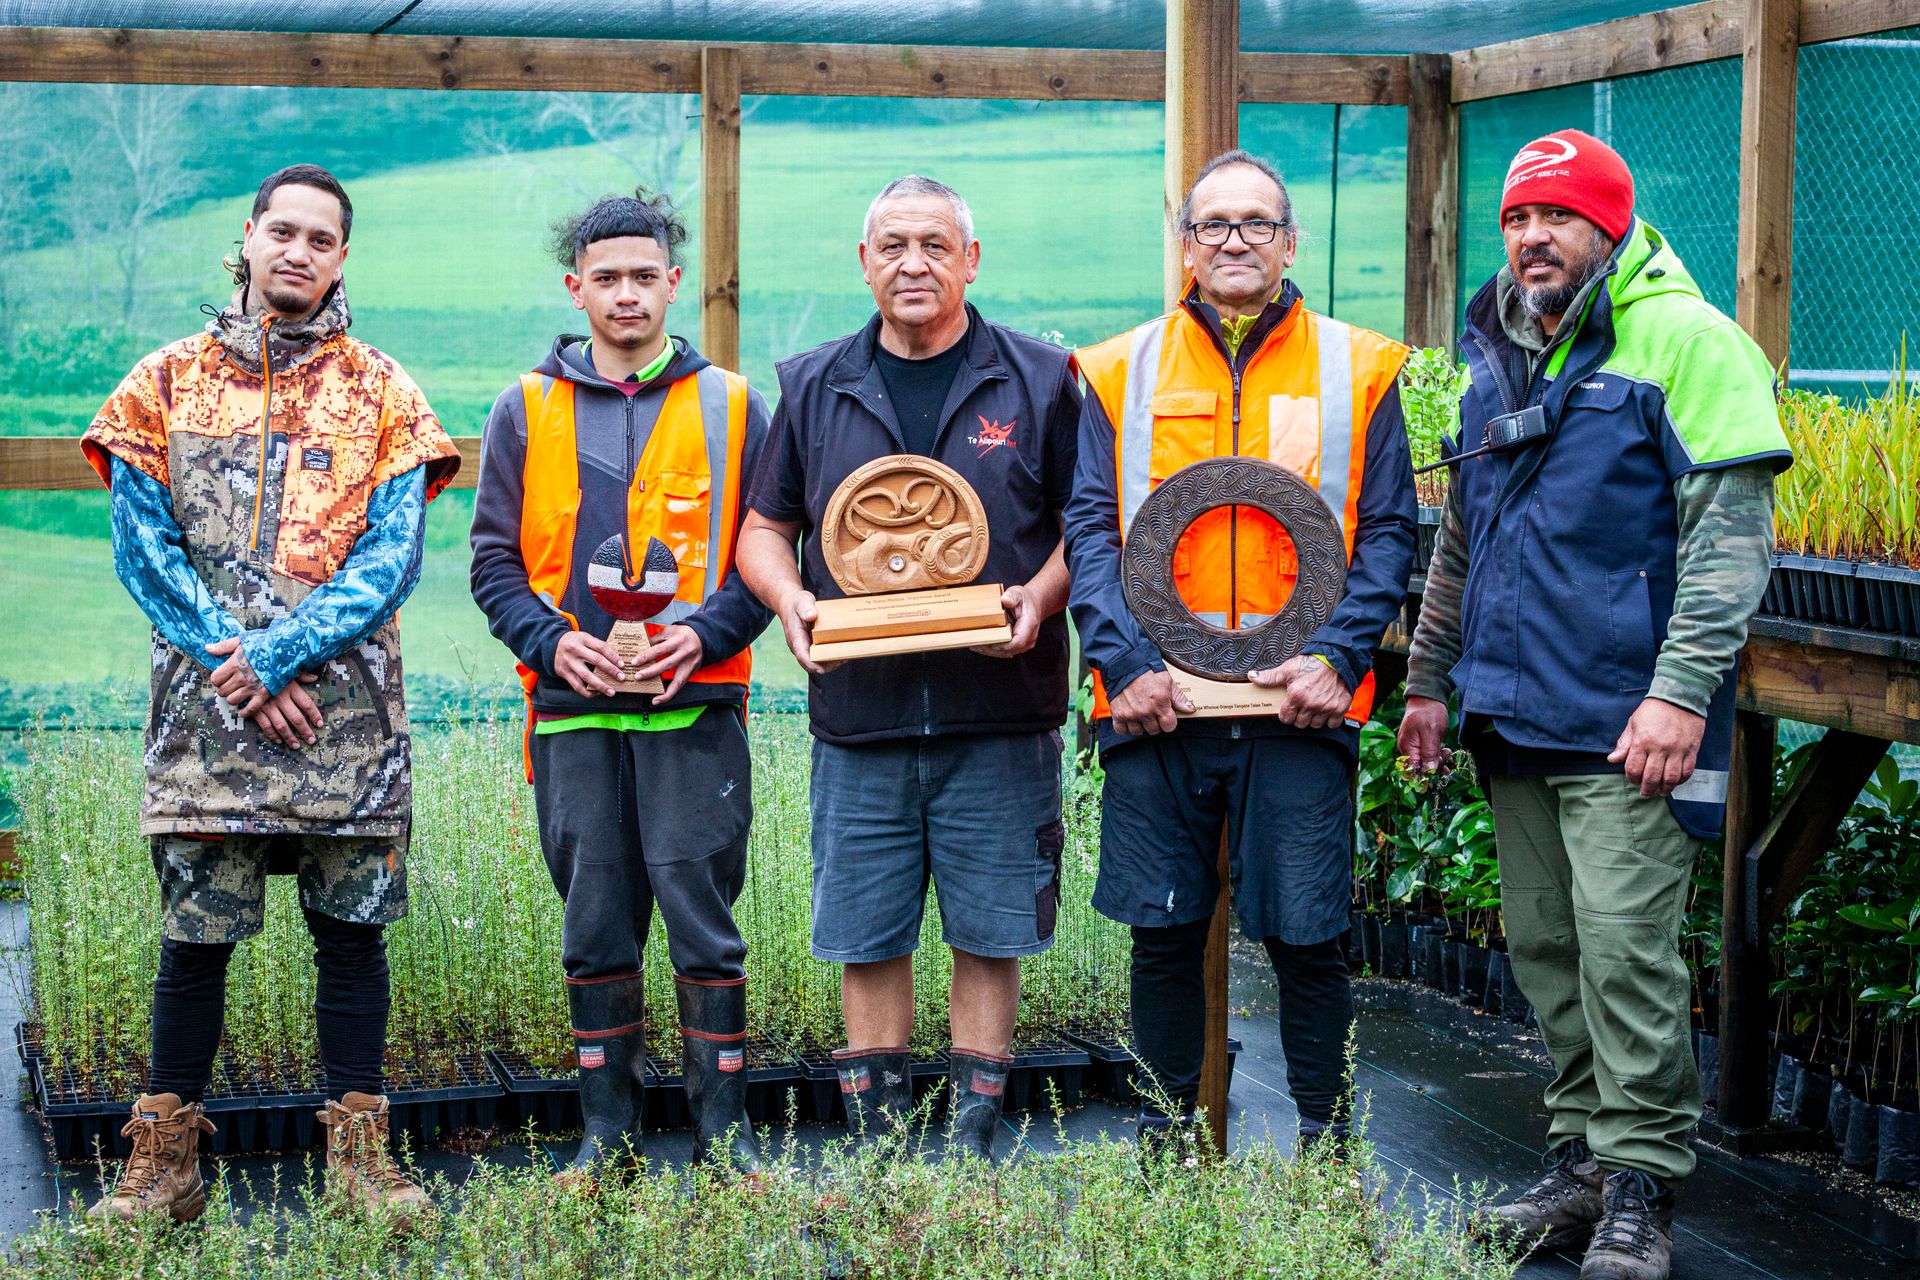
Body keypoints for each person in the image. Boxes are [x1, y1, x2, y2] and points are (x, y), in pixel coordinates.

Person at [1397, 130, 1790, 1280]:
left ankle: (1640, 1187)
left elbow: (1728, 545)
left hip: (1627, 725)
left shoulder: (1688, 343)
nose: (1532, 239)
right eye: (1518, 219)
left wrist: (1677, 696)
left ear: (1609, 227)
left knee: (1627, 954)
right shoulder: (1496, 354)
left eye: (1558, 217)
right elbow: (1464, 537)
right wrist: (1428, 680)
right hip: (1514, 711)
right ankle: (1578, 1160)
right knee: (1548, 947)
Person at [79, 164, 460, 1223]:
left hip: (346, 723)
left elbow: (392, 559)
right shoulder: (161, 383)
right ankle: (164, 1165)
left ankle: (361, 1164)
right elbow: (144, 549)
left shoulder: (387, 391)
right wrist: (233, 661)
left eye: (320, 238)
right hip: (208, 720)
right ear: (245, 240)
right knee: (194, 938)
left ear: (343, 258)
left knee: (353, 935)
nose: (297, 250)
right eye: (280, 231)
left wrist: (281, 654)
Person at [1065, 149, 1415, 1150]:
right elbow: (1090, 527)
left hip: (1298, 701)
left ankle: (1326, 1149)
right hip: (1154, 701)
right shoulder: (1119, 367)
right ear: (1185, 246)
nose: (1234, 241)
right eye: (1213, 224)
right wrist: (1123, 664)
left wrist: (1338, 659)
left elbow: (1388, 530)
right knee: (1163, 932)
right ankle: (1169, 1148)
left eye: (1256, 223)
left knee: (1309, 934)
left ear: (1290, 241)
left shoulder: (1357, 365)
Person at [736, 175, 1081, 1159]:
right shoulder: (814, 382)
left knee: (991, 928)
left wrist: (1039, 598)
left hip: (1000, 708)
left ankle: (971, 1137)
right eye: (892, 245)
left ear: (972, 258)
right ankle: (880, 1141)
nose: (913, 263)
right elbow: (767, 527)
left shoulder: (1042, 377)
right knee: (866, 930)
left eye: (935, 244)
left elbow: (1081, 527)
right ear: (863, 262)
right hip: (865, 714)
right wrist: (791, 599)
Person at [470, 189, 772, 1178]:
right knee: (594, 921)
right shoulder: (524, 408)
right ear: (577, 287)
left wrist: (706, 632)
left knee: (703, 920)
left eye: (646, 276)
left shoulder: (732, 405)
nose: (628, 294)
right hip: (571, 717)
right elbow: (493, 565)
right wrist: (554, 644)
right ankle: (608, 1138)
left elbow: (768, 558)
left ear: (674, 284)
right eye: (608, 278)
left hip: (699, 712)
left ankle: (723, 1141)